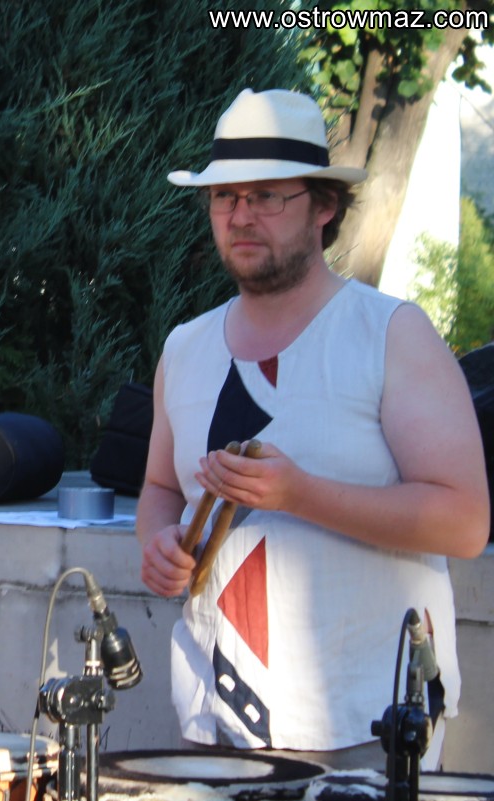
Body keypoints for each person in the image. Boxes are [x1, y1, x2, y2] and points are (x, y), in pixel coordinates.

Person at [136, 88, 490, 768]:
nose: (241, 216)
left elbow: (465, 521)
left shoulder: (390, 334)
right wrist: (157, 541)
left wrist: (300, 494)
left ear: (324, 206)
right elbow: (159, 488)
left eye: (267, 196)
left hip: (366, 722)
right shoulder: (185, 347)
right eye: (224, 196)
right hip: (215, 722)